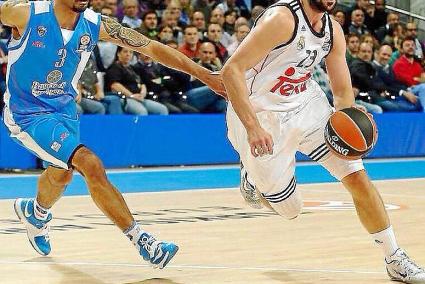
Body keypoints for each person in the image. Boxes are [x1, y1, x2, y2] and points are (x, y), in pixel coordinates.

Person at [1, 0, 224, 269]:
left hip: (65, 111)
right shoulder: (24, 13)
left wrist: (202, 73)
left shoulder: (95, 24)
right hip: (28, 114)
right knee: (89, 163)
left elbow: (150, 46)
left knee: (62, 173)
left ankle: (36, 213)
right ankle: (144, 242)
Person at [220, 0, 425, 283]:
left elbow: (341, 92)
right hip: (262, 114)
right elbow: (231, 70)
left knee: (356, 175)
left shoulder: (333, 31)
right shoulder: (281, 19)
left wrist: (347, 121)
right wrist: (253, 128)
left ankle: (394, 257)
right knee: (290, 210)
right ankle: (252, 180)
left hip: (307, 104)